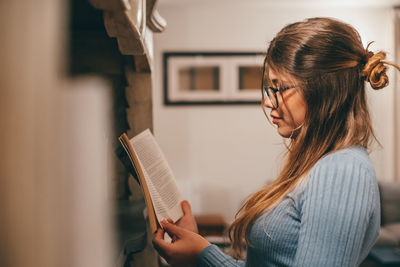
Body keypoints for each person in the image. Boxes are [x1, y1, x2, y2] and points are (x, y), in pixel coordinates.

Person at [153, 17, 400, 266]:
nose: (268, 102)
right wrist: (200, 248)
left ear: (323, 89)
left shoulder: (343, 171)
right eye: (268, 89)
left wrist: (201, 256)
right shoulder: (316, 163)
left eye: (279, 88)